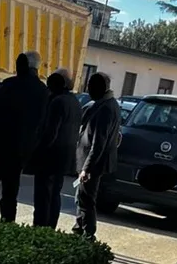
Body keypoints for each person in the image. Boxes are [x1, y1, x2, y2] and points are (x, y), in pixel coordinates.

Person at [0, 51, 50, 226]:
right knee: (10, 194)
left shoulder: (10, 85)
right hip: (19, 151)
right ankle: (6, 228)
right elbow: (43, 124)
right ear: (37, 68)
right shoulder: (43, 92)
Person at [31, 68, 82, 228]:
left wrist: (37, 153)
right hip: (65, 157)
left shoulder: (57, 102)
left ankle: (40, 227)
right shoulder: (75, 102)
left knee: (43, 196)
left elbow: (50, 132)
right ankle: (51, 226)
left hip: (50, 157)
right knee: (54, 195)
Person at [73, 72, 120, 240]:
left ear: (99, 88)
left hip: (93, 163)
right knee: (82, 197)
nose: (88, 89)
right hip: (92, 161)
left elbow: (98, 142)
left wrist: (87, 168)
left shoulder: (106, 108)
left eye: (91, 86)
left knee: (86, 200)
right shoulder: (107, 104)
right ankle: (79, 230)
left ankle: (87, 234)